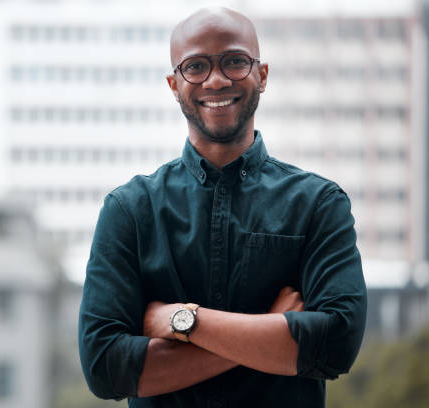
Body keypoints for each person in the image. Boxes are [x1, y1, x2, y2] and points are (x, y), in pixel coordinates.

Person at [78, 7, 367, 407]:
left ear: (261, 75)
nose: (216, 80)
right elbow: (105, 368)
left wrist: (184, 321)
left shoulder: (319, 204)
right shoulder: (129, 210)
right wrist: (270, 330)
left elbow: (335, 345)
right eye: (195, 66)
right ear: (174, 84)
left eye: (234, 61)